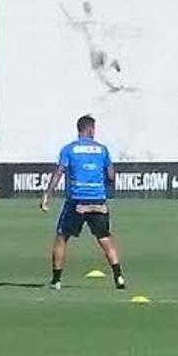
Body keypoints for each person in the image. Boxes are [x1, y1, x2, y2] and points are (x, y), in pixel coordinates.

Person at [39, 114, 126, 291]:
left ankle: (56, 280)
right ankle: (119, 277)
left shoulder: (69, 150)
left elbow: (59, 172)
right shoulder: (102, 150)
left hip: (77, 201)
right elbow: (110, 176)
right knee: (105, 239)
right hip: (98, 201)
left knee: (61, 238)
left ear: (79, 130)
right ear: (91, 129)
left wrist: (46, 195)